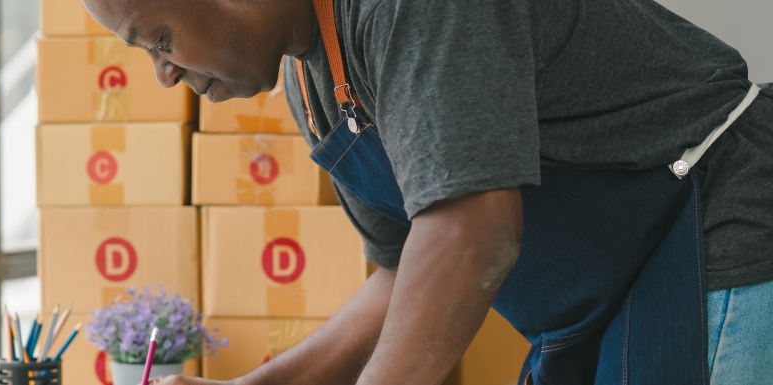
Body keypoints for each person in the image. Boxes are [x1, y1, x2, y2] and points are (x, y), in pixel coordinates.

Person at [81, 0, 773, 383]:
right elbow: (403, 270)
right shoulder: (312, 86)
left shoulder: (406, 6)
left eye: (159, 38)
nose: (163, 75)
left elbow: (472, 234)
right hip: (601, 302)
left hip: (716, 227)